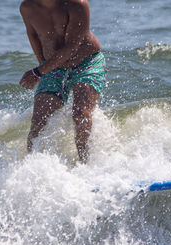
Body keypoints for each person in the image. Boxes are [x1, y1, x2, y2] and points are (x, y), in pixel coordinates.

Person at [18, 0, 106, 162]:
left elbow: (72, 46)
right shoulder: (27, 7)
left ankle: (87, 164)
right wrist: (43, 66)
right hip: (51, 66)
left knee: (80, 113)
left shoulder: (77, 4)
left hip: (87, 62)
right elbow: (33, 36)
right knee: (38, 121)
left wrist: (38, 72)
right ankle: (31, 170)